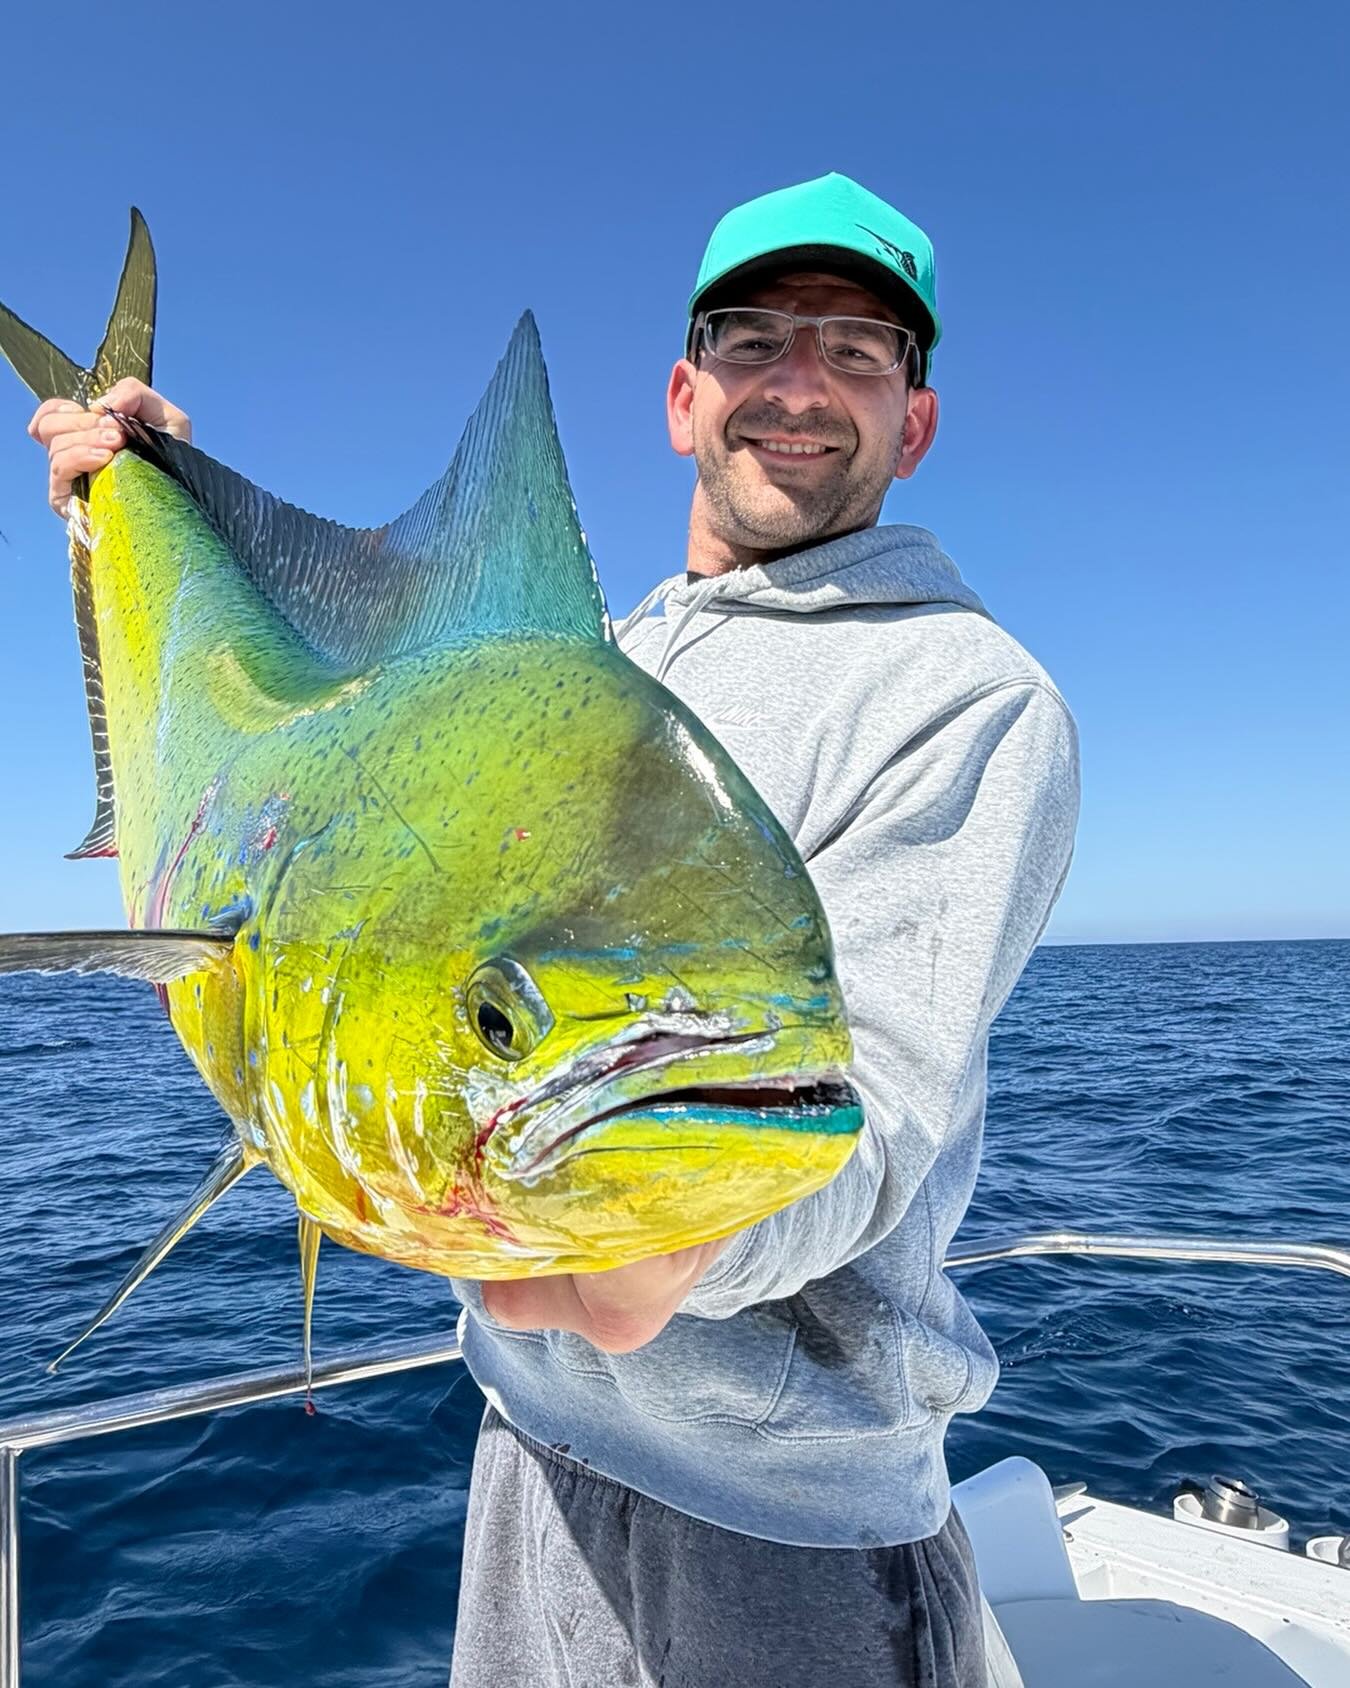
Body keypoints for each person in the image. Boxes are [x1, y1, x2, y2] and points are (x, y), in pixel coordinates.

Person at [30, 173, 1079, 1688]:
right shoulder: (596, 662)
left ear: (913, 421)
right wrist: (141, 495)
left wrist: (676, 1248)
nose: (800, 385)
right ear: (681, 396)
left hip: (793, 1539)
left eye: (859, 352)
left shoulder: (966, 699)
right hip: (526, 1457)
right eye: (753, 340)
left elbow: (870, 1107)